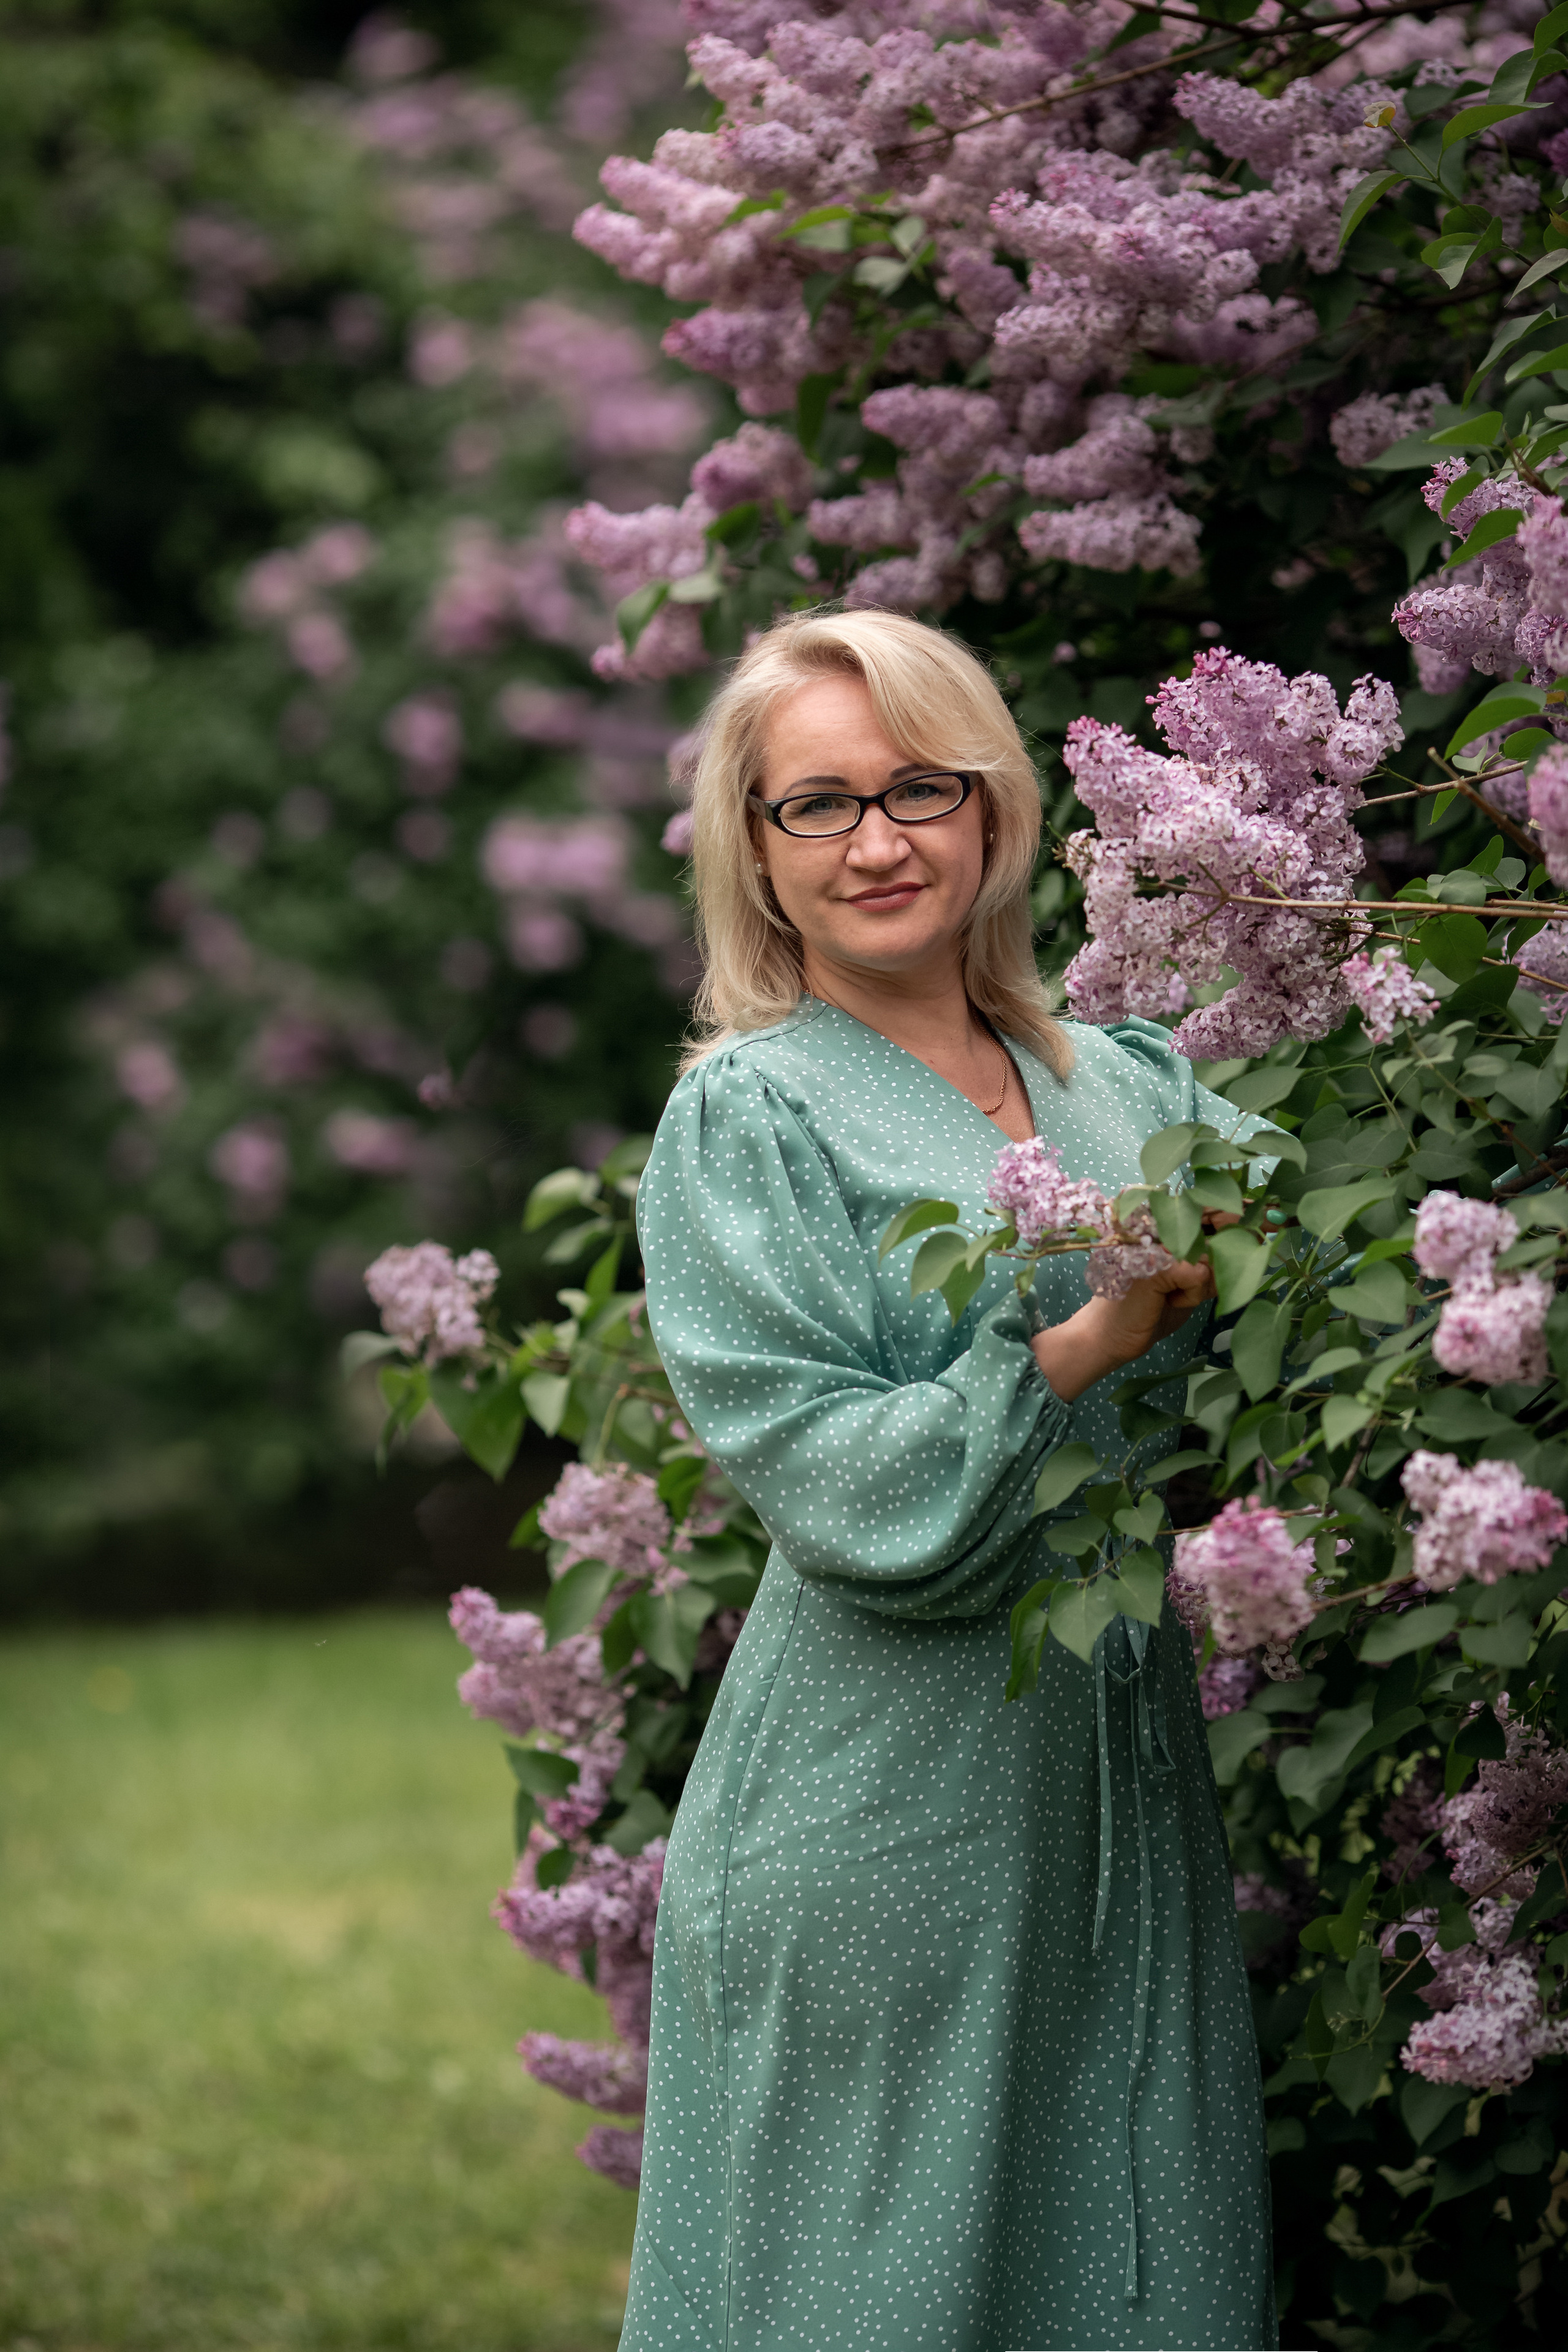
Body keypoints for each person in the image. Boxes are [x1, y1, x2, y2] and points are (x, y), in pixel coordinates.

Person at [625, 608, 1275, 2352]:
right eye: (817, 806)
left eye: (920, 786)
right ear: (753, 855)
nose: (879, 841)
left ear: (992, 809)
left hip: (1110, 1799)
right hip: (881, 1819)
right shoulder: (753, 1119)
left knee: (1137, 2271)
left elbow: (1351, 1275)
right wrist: (1082, 1341)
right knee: (877, 2302)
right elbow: (841, 1489)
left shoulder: (1127, 1085)